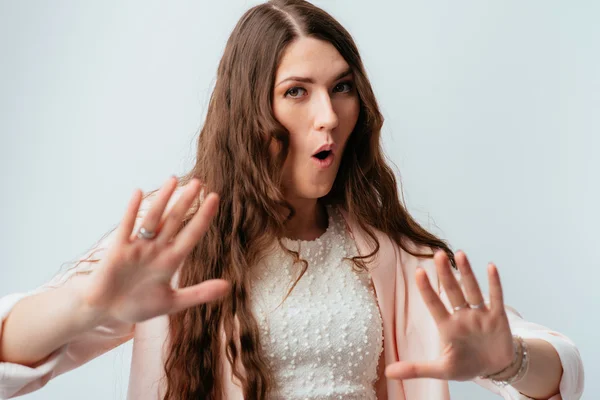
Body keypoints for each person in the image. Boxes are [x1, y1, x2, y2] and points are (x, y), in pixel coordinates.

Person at [0, 0, 584, 399]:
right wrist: (87, 306)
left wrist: (508, 363)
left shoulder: (387, 250)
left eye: (342, 88)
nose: (328, 117)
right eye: (296, 93)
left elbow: (563, 365)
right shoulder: (181, 233)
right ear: (251, 110)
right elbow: (10, 353)